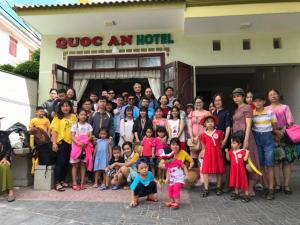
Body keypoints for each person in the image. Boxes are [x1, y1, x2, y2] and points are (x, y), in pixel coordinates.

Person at [266, 89, 296, 194]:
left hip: (285, 137)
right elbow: (265, 123)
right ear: (268, 97)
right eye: (270, 95)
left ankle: (287, 185)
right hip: (272, 137)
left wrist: (282, 131)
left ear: (278, 95)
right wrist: (275, 132)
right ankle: (277, 185)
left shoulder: (285, 107)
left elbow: (290, 121)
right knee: (275, 163)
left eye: (275, 94)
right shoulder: (266, 109)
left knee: (287, 162)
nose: (273, 96)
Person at [232, 88, 260, 197]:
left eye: (238, 96)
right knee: (240, 163)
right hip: (237, 140)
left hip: (246, 138)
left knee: (250, 161)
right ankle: (244, 187)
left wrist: (246, 140)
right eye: (234, 96)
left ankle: (250, 188)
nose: (236, 98)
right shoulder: (236, 109)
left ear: (243, 97)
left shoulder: (247, 107)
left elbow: (248, 125)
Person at [252, 94, 277, 200]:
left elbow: (274, 126)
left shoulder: (270, 112)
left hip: (268, 138)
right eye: (255, 101)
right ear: (253, 103)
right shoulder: (252, 114)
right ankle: (266, 186)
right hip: (257, 139)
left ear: (263, 102)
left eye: (259, 101)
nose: (257, 103)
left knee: (270, 164)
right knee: (261, 164)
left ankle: (271, 188)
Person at [51, 100, 77, 191]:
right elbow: (54, 131)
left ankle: (62, 180)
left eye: (67, 106)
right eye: (63, 106)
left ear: (70, 107)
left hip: (72, 143)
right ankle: (57, 183)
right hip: (62, 142)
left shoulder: (74, 117)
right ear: (60, 108)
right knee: (60, 162)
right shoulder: (57, 117)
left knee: (67, 163)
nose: (65, 108)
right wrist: (54, 143)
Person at [200, 115, 225, 197]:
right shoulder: (203, 134)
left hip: (217, 153)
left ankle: (218, 187)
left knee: (219, 170)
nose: (210, 123)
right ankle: (206, 189)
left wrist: (217, 149)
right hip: (208, 153)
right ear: (205, 124)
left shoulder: (219, 132)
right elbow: (203, 145)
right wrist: (203, 154)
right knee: (205, 171)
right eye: (208, 122)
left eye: (211, 121)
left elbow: (221, 143)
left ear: (214, 123)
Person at [212, 93, 232, 191]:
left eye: (219, 100)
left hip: (225, 140)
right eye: (216, 100)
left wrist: (225, 140)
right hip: (214, 142)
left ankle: (228, 183)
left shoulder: (226, 112)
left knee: (227, 162)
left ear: (222, 101)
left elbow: (228, 127)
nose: (217, 102)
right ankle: (219, 183)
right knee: (218, 162)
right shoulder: (213, 113)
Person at [70, 109, 94, 191]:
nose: (83, 116)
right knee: (75, 165)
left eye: (84, 114)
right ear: (78, 116)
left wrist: (85, 142)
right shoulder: (75, 125)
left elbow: (90, 136)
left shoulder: (88, 126)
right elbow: (72, 136)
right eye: (81, 114)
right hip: (76, 147)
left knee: (83, 165)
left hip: (85, 147)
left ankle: (82, 183)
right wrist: (79, 143)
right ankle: (74, 183)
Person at [225, 131, 250, 202]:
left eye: (234, 143)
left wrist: (247, 153)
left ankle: (247, 195)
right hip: (234, 170)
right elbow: (228, 159)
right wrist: (227, 153)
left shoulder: (242, 151)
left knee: (244, 182)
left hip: (241, 171)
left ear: (239, 144)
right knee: (236, 182)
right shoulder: (231, 152)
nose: (232, 144)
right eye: (231, 143)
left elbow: (245, 159)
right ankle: (236, 193)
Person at [188, 96, 211, 160]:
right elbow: (190, 126)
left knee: (203, 156)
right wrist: (192, 136)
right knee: (194, 157)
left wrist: (199, 135)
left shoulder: (207, 113)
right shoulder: (192, 113)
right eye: (197, 102)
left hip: (204, 137)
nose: (198, 104)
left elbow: (209, 126)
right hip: (194, 138)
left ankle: (203, 169)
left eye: (200, 102)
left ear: (203, 103)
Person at [0, 131, 15, 202]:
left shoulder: (3, 135)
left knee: (5, 166)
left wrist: (5, 158)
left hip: (3, 159)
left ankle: (11, 192)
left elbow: (9, 149)